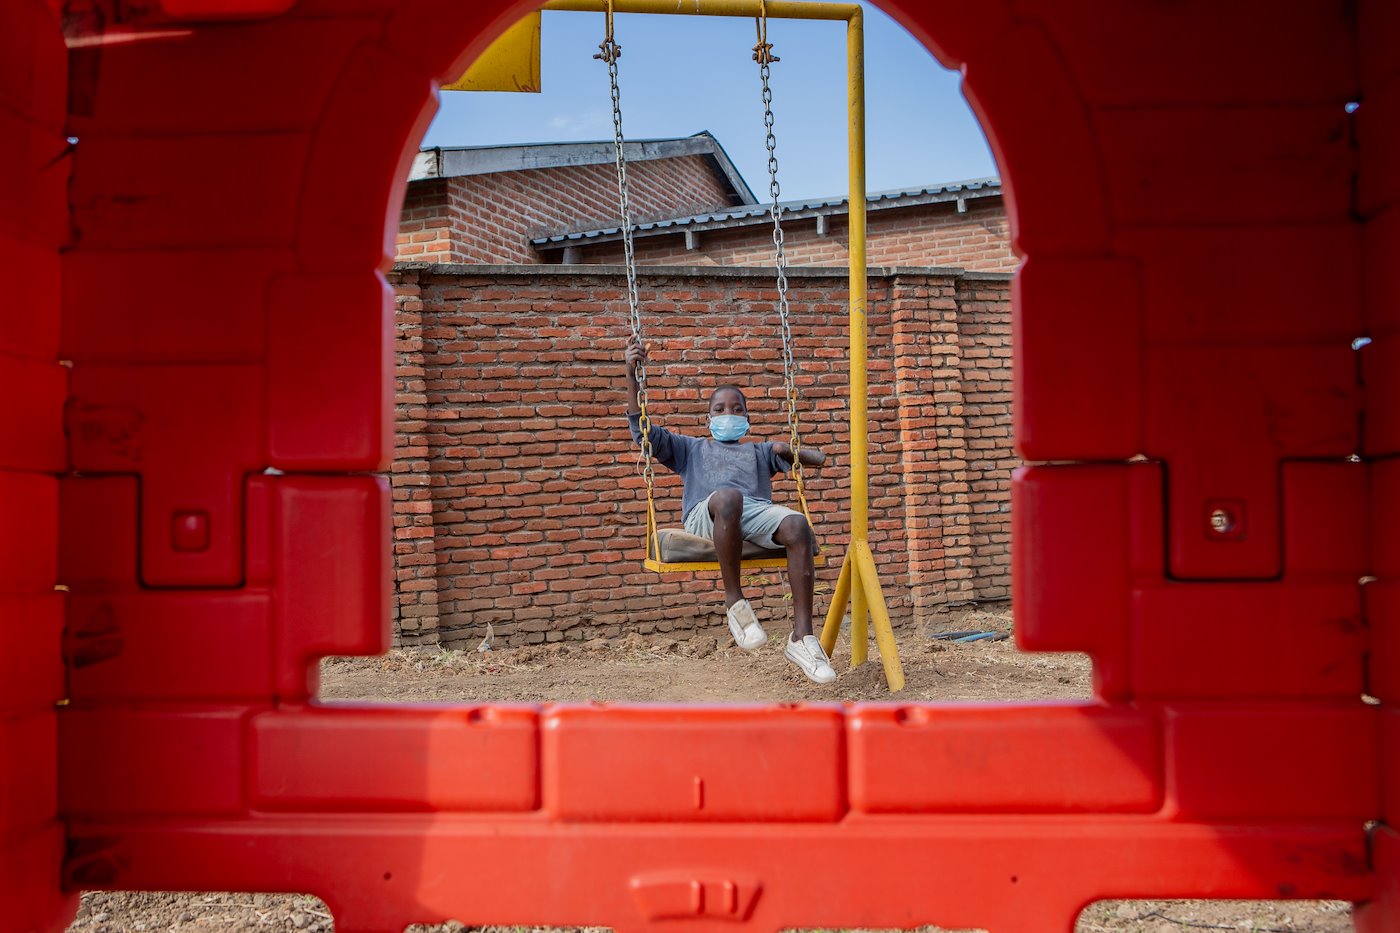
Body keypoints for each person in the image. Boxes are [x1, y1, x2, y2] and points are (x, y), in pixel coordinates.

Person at [624, 336, 836, 684]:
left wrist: (785, 447)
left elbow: (820, 460)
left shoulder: (760, 451)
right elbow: (641, 430)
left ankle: (802, 638)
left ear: (747, 418)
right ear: (708, 417)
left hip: (752, 512)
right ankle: (735, 603)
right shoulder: (689, 448)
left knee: (797, 524)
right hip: (706, 514)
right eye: (720, 409)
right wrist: (631, 376)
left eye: (737, 409)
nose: (729, 414)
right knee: (728, 498)